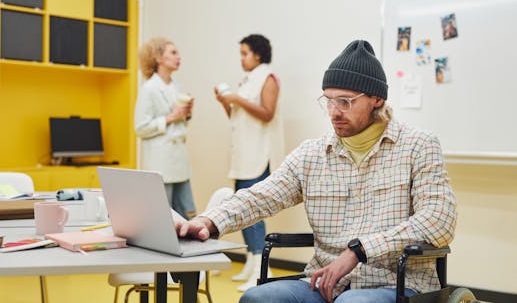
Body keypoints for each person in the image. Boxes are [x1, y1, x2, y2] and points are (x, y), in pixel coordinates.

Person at [177, 39, 457, 303]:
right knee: (257, 298)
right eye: (329, 100)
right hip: (325, 283)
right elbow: (259, 196)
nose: (334, 111)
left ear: (377, 100)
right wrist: (209, 222)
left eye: (345, 101)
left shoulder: (418, 145)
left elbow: (438, 220)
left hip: (395, 282)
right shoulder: (313, 153)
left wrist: (360, 251)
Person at [214, 34, 284, 291]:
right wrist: (227, 102)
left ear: (258, 54)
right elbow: (238, 117)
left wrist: (237, 99)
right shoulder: (247, 81)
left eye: (244, 53)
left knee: (254, 209)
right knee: (242, 210)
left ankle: (261, 269)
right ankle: (251, 261)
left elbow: (267, 113)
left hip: (258, 154)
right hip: (243, 154)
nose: (241, 59)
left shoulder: (268, 78)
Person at [134, 37, 197, 220]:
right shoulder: (149, 88)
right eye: (173, 52)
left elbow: (180, 122)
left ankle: (193, 248)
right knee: (164, 216)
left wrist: (186, 113)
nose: (179, 57)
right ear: (158, 57)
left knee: (188, 213)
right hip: (161, 161)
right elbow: (140, 128)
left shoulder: (177, 86)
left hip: (179, 161)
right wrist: (171, 117)